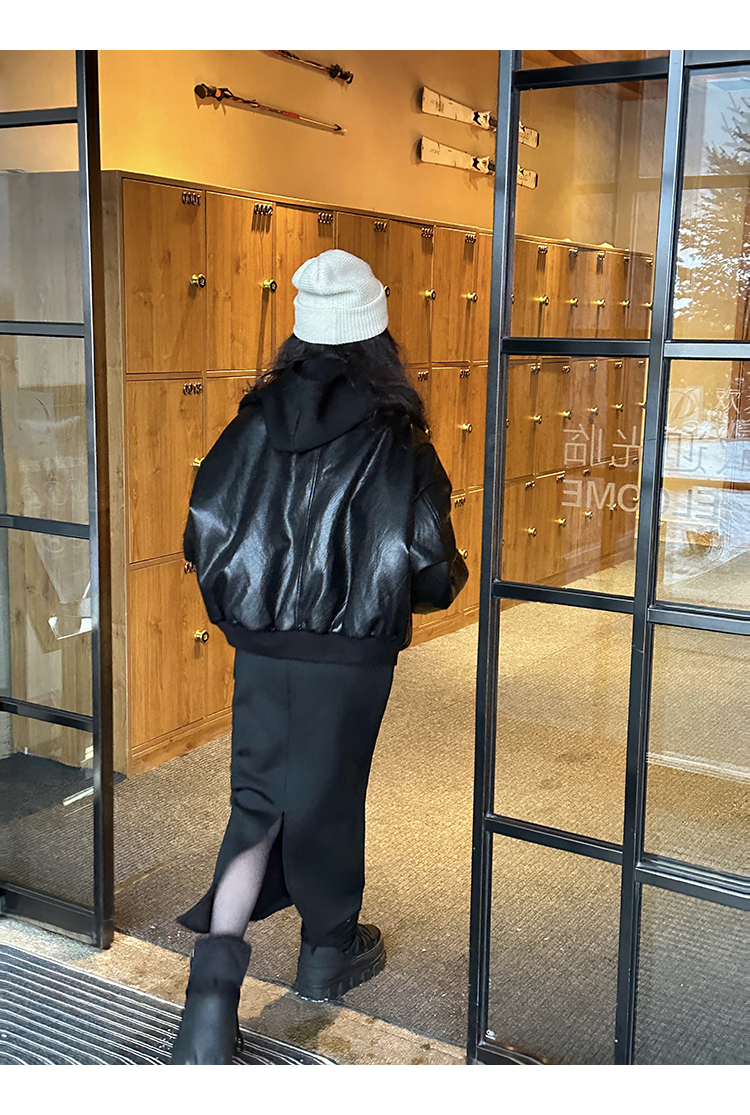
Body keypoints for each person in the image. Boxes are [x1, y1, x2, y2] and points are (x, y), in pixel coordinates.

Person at [170, 249, 469, 1064]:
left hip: (263, 645)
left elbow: (204, 531)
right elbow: (431, 566)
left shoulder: (250, 421)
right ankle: (326, 952)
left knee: (258, 802)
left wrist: (251, 613)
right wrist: (414, 591)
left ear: (301, 333)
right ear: (375, 333)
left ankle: (208, 1003)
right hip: (353, 653)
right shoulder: (396, 435)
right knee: (331, 792)